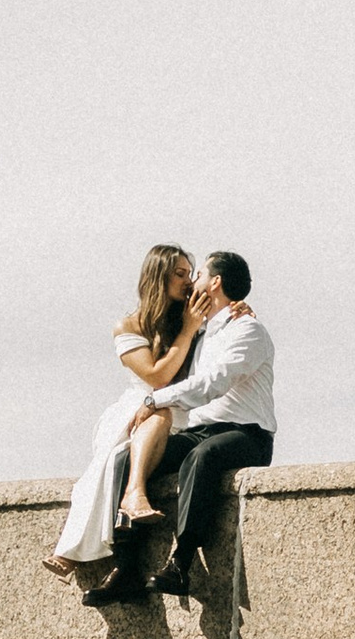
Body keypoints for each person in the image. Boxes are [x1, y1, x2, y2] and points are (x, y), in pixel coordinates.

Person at [107, 250, 275, 605]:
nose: (190, 283)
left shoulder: (248, 329)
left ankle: (181, 563)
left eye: (196, 274)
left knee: (202, 456)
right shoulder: (200, 333)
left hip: (247, 433)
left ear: (214, 282)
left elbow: (213, 383)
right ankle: (125, 568)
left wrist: (156, 399)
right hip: (200, 429)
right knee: (131, 458)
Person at [45, 244, 203, 591]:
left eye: (190, 274)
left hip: (175, 414)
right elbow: (156, 376)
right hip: (135, 408)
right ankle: (73, 548)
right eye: (179, 274)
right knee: (110, 458)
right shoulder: (128, 325)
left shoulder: (189, 317)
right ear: (158, 276)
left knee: (140, 435)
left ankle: (76, 549)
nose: (188, 282)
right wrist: (188, 331)